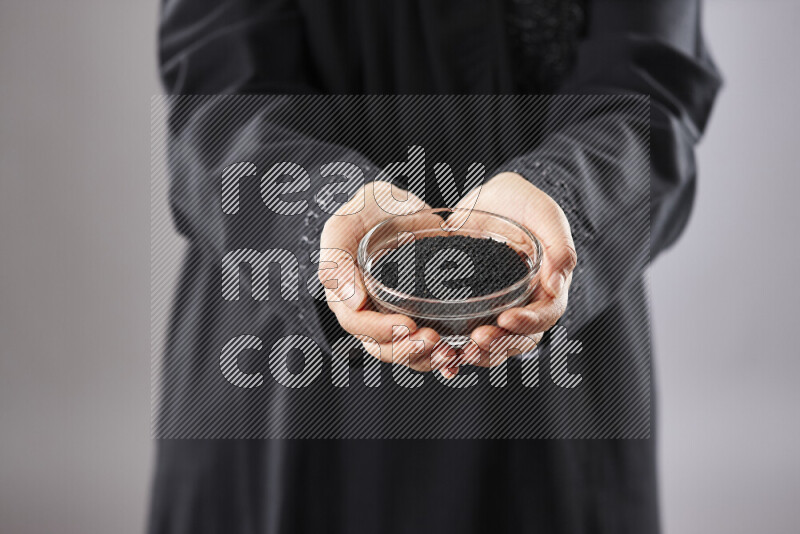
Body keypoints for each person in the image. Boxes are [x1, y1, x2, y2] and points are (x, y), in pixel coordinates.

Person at [150, 0, 721, 532]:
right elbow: (217, 92)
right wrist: (322, 210)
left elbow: (650, 86)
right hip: (285, 366)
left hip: (551, 356)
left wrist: (569, 198)